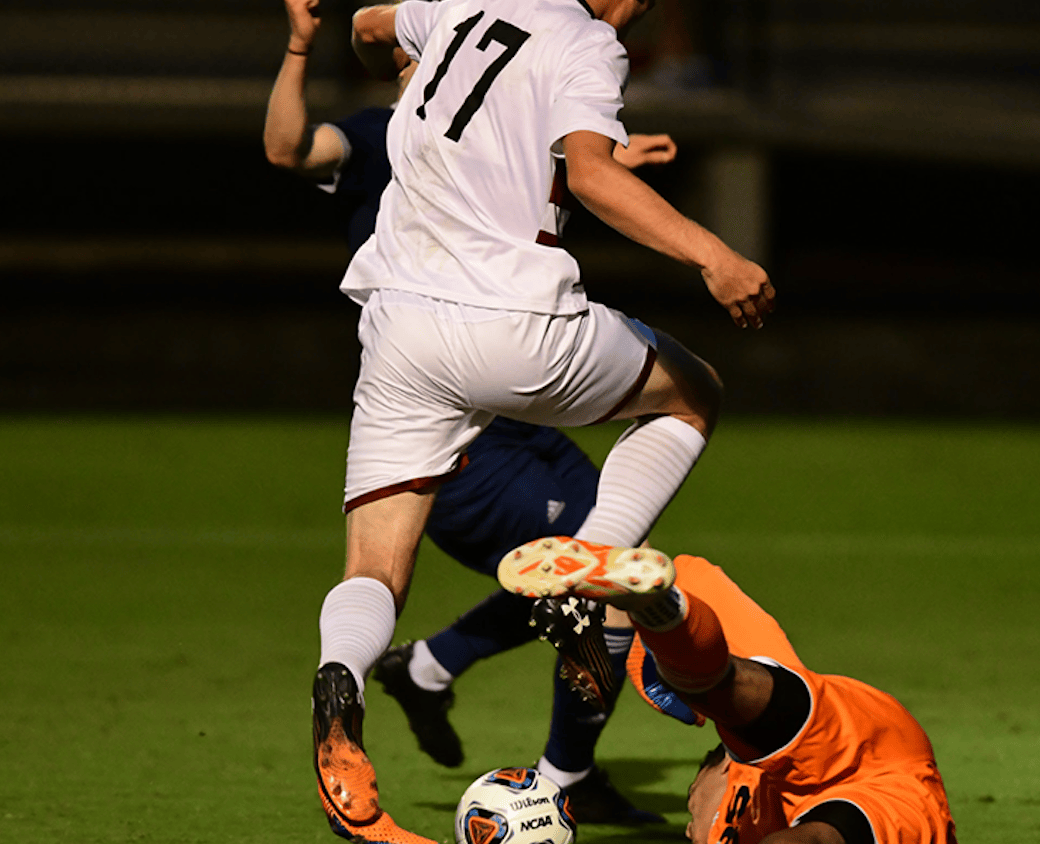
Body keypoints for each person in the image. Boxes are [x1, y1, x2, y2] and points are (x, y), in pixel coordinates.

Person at [300, 0, 777, 841]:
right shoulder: (589, 40)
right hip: (516, 327)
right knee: (693, 391)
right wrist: (717, 255)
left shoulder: (461, 0)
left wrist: (385, 56)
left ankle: (340, 684)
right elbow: (590, 178)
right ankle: (589, 573)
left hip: (398, 330)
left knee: (375, 567)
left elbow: (373, 27)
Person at [497, 539, 960, 844]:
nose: (688, 823)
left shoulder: (722, 828)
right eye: (688, 810)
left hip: (791, 757)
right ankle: (661, 611)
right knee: (721, 687)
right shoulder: (736, 790)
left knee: (709, 683)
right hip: (880, 769)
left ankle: (660, 612)